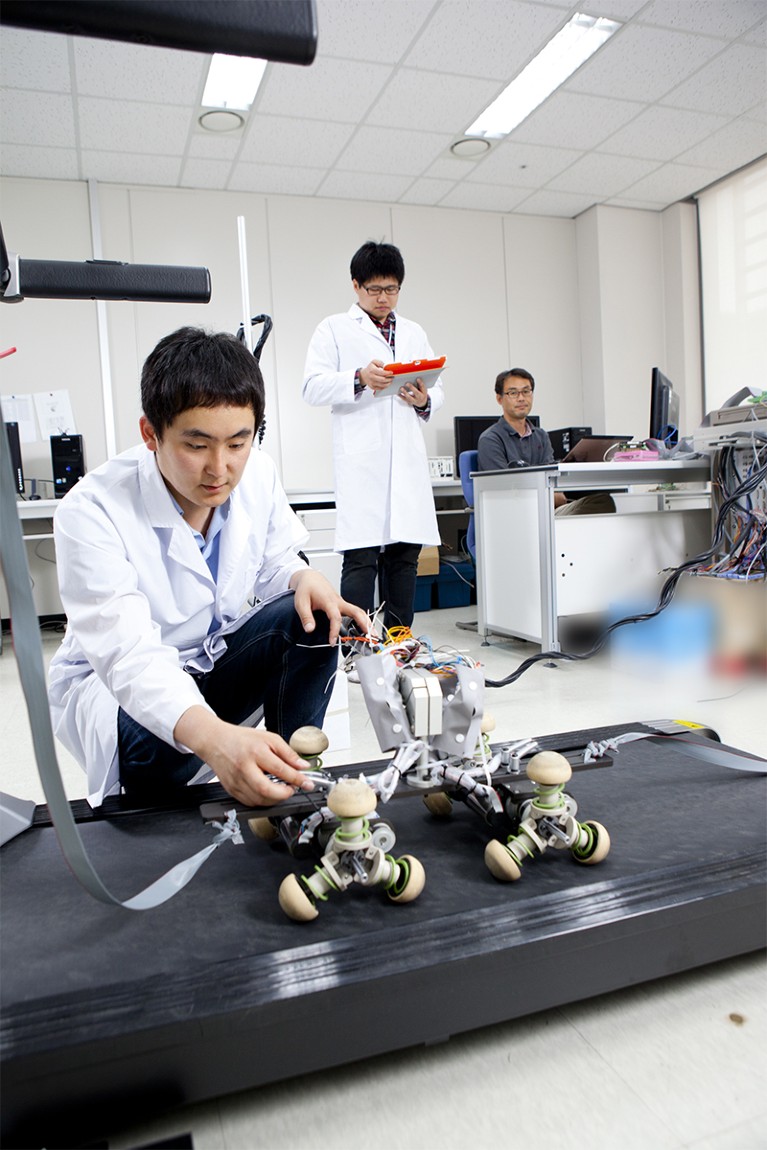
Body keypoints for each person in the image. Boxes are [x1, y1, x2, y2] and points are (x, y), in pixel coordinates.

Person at [48, 327, 371, 809]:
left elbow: (277, 559)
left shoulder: (256, 473)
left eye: (238, 443)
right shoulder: (92, 511)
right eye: (196, 446)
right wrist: (215, 739)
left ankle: (294, 783)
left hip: (208, 661)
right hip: (123, 697)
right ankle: (221, 764)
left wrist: (305, 576)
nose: (220, 469)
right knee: (166, 735)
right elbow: (129, 657)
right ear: (150, 433)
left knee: (312, 614)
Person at [303, 241, 444, 633]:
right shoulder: (334, 328)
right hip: (362, 462)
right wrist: (359, 378)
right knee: (361, 558)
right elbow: (312, 387)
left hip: (406, 463)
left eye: (392, 289)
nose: (384, 298)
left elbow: (438, 390)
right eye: (375, 290)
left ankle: (399, 642)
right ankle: (355, 646)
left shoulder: (414, 331)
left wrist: (424, 398)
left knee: (404, 558)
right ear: (356, 286)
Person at [477, 368, 614, 515]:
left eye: (526, 391)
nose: (521, 398)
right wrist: (552, 496)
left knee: (603, 498)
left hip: (545, 509)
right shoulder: (490, 439)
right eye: (513, 393)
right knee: (600, 504)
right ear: (499, 398)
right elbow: (504, 491)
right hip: (515, 514)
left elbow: (550, 477)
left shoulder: (540, 436)